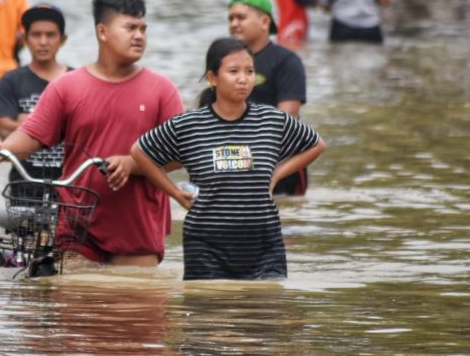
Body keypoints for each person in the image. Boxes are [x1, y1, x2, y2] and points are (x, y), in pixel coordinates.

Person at [0, 0, 184, 267]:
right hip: (77, 224)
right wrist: (1, 149)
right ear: (102, 31)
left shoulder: (162, 90)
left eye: (143, 29)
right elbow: (32, 135)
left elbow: (179, 154)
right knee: (74, 303)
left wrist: (132, 164)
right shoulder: (66, 86)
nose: (139, 36)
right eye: (130, 28)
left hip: (137, 226)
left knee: (135, 306)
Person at [131, 37, 325, 280]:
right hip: (206, 249)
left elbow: (316, 145)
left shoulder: (272, 120)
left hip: (264, 247)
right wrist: (174, 192)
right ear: (212, 78)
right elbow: (140, 151)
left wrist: (276, 175)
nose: (243, 79)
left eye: (250, 71)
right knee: (211, 313)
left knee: (266, 313)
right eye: (233, 71)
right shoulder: (190, 124)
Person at [228, 0, 310, 196]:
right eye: (230, 18)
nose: (234, 24)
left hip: (281, 166)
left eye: (241, 17)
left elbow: (285, 120)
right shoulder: (224, 63)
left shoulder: (287, 62)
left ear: (265, 22)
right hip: (234, 163)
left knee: (285, 223)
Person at [0, 4, 70, 193]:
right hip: (23, 181)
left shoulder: (76, 80)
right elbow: (2, 127)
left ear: (62, 40)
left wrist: (26, 123)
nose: (43, 42)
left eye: (50, 35)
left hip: (68, 182)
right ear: (25, 39)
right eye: (36, 35)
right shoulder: (11, 80)